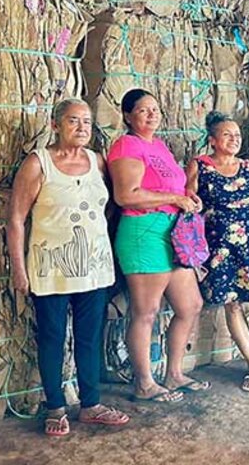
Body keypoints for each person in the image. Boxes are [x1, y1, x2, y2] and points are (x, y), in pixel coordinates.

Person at [7, 98, 129, 436]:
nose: (82, 128)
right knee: (52, 336)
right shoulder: (38, 163)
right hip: (50, 268)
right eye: (74, 121)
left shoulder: (97, 162)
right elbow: (16, 219)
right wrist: (19, 268)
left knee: (89, 337)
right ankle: (56, 407)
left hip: (94, 267)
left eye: (87, 122)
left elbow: (109, 207)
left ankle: (91, 405)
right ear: (55, 124)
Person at [107, 88, 207, 402]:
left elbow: (170, 187)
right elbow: (127, 195)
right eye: (143, 110)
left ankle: (174, 374)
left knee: (190, 305)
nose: (151, 114)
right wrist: (174, 198)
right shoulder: (127, 145)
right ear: (127, 116)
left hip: (172, 233)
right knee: (146, 312)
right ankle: (144, 382)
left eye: (155, 109)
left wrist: (187, 198)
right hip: (143, 233)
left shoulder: (158, 146)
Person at [186, 112, 249, 393]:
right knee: (233, 302)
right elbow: (190, 210)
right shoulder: (200, 166)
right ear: (213, 140)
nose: (234, 139)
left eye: (237, 135)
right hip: (219, 247)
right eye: (227, 135)